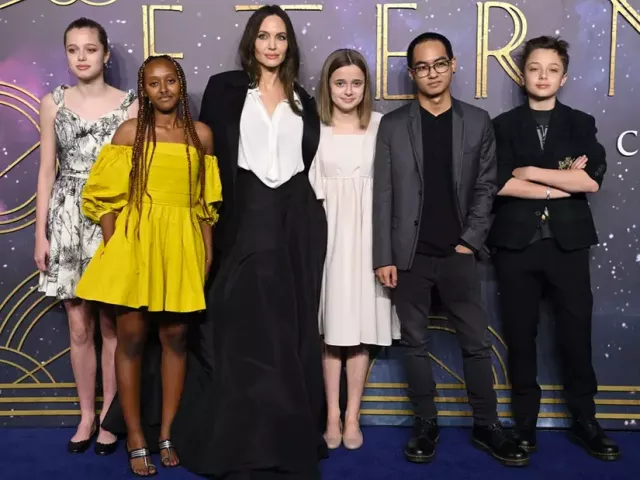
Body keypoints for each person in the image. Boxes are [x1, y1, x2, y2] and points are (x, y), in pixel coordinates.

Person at [173, 5, 328, 479]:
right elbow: (204, 158)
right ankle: (239, 433)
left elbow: (308, 160)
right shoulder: (224, 88)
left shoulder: (303, 99)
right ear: (251, 42)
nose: (272, 45)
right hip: (243, 214)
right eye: (264, 36)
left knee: (289, 320)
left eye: (280, 37)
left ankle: (286, 432)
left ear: (289, 44)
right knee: (241, 319)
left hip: (296, 218)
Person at [372, 32, 528, 467]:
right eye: (422, 67)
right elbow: (382, 194)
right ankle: (426, 424)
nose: (432, 73)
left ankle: (486, 425)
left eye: (439, 63)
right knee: (414, 343)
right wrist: (383, 255)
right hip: (408, 256)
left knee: (476, 344)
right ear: (412, 73)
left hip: (458, 253)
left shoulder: (477, 121)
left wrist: (468, 242)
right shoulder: (392, 125)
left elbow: (485, 187)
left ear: (453, 64)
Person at [74, 55, 222, 476]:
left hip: (182, 245)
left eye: (170, 81)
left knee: (176, 338)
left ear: (181, 84)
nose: (163, 89)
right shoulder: (129, 133)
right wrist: (116, 244)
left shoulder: (201, 136)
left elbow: (205, 204)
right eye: (154, 83)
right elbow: (104, 197)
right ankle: (136, 435)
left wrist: (207, 250)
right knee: (132, 339)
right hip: (135, 243)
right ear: (145, 90)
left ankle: (167, 433)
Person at [488, 36, 620, 461]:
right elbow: (499, 183)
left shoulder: (581, 123)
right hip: (516, 246)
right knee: (520, 337)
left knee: (575, 335)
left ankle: (585, 420)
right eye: (534, 68)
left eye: (551, 70)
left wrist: (530, 171)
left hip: (569, 245)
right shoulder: (503, 125)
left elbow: (590, 180)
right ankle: (525, 423)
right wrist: (560, 184)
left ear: (563, 77)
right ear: (522, 74)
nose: (542, 76)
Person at [34, 17, 137, 456]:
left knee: (112, 324)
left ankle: (111, 415)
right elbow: (46, 172)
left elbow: (135, 175)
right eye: (73, 49)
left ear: (106, 54)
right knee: (79, 326)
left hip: (111, 218)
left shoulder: (130, 105)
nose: (82, 57)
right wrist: (41, 235)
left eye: (90, 49)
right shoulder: (53, 103)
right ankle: (86, 416)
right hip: (66, 220)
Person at [309, 48, 400, 451]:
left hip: (369, 239)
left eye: (357, 83)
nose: (349, 91)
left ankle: (352, 416)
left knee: (361, 330)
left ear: (366, 87)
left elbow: (393, 190)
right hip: (328, 238)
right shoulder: (314, 129)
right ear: (327, 86)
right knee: (332, 331)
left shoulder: (382, 126)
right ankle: (331, 414)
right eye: (340, 83)